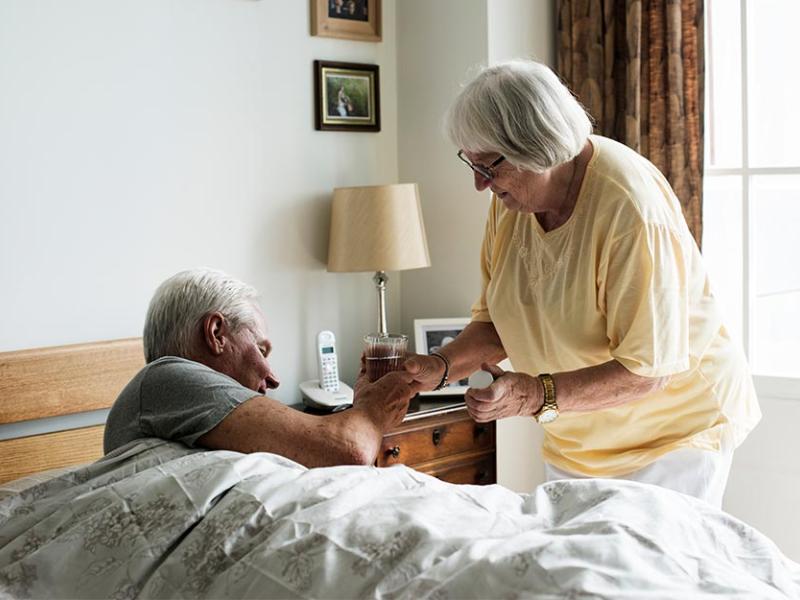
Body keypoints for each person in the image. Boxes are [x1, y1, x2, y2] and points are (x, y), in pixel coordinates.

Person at [403, 60, 761, 507]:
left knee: (647, 573)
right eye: (470, 164)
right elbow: (498, 322)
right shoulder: (512, 202)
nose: (480, 184)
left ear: (534, 147)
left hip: (672, 438)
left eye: (489, 167)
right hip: (577, 437)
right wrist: (437, 368)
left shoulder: (630, 211)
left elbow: (648, 370)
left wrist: (535, 394)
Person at [104, 268, 421, 467]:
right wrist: (371, 407)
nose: (273, 378)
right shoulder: (168, 379)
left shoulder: (178, 404)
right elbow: (345, 450)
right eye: (260, 349)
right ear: (216, 334)